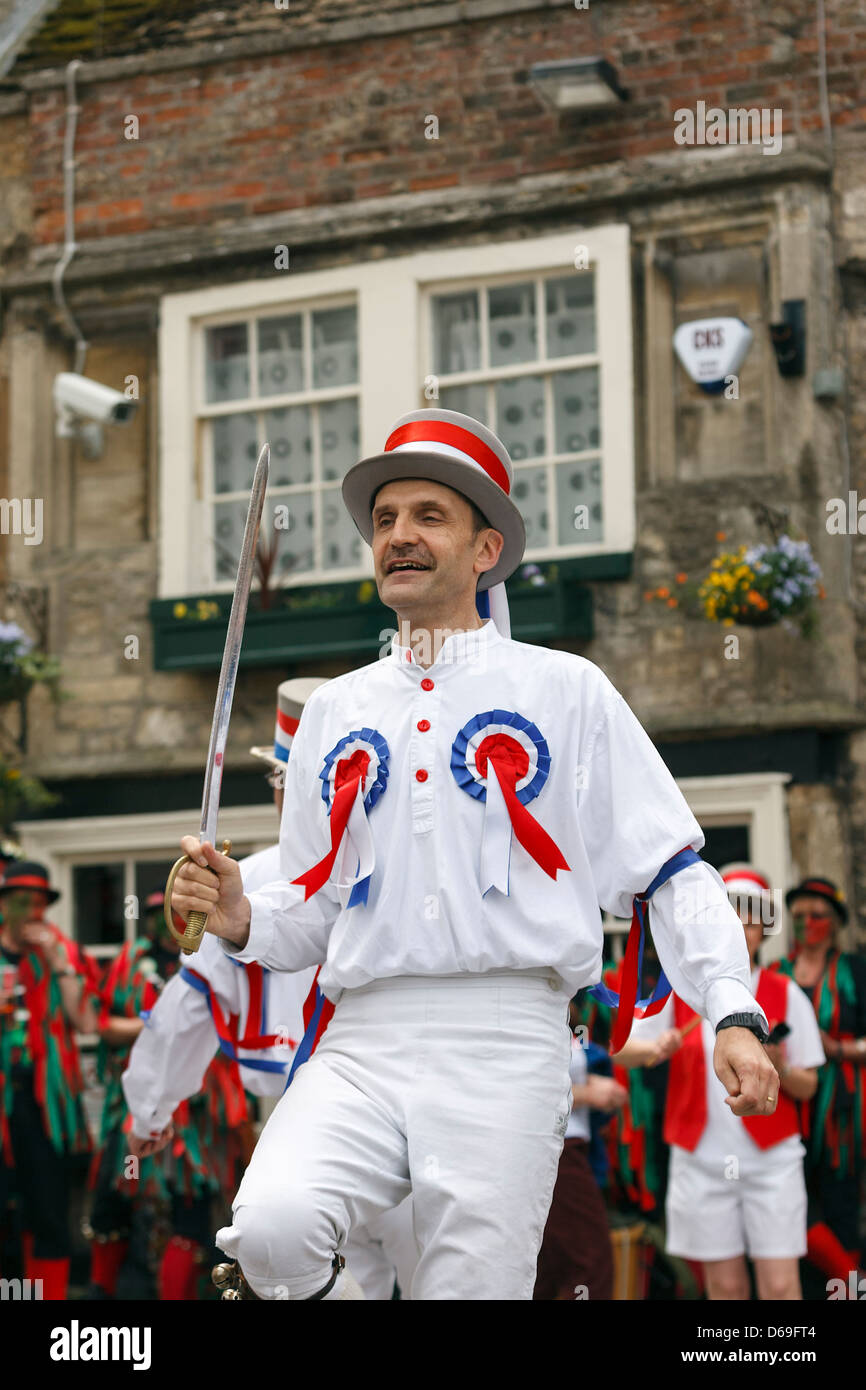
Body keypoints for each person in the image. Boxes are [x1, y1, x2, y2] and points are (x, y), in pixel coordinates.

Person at [170, 407, 778, 1301]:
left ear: (486, 549)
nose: (399, 536)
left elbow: (667, 868)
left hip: (507, 1035)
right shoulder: (334, 710)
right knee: (270, 1229)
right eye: (383, 520)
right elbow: (313, 913)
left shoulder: (567, 689)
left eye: (427, 516)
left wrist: (732, 1008)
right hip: (364, 1036)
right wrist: (241, 915)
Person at [616, 864, 823, 1300]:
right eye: (729, 912)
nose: (739, 925)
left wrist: (780, 1065)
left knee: (781, 1287)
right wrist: (658, 1047)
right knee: (724, 1289)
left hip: (772, 1161)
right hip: (701, 1158)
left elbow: (809, 1086)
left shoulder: (786, 992)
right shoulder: (680, 993)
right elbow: (624, 1049)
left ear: (764, 927)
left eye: (750, 915)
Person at [86, 885, 252, 1301]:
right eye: (163, 911)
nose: (172, 918)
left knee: (190, 1207)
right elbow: (103, 1024)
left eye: (180, 911)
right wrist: (161, 1031)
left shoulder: (215, 956)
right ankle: (100, 1291)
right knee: (118, 1192)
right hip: (138, 1107)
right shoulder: (130, 963)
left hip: (196, 1115)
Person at [0, 861, 99, 1299]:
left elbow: (86, 1021)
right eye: (22, 902)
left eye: (39, 904)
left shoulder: (63, 953)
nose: (31, 912)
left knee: (49, 1211)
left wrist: (58, 961)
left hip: (45, 1104)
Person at [772, 876, 866, 1287]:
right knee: (792, 1208)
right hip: (788, 1103)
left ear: (836, 922)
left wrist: (838, 1049)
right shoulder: (775, 974)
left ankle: (849, 1288)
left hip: (842, 1111)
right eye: (797, 915)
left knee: (841, 1202)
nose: (806, 923)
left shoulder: (856, 971)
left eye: (817, 915)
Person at [534, 998, 628, 1300]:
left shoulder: (560, 997)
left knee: (545, 1270)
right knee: (589, 1265)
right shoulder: (528, 996)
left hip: (565, 1146)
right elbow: (516, 1083)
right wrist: (587, 1093)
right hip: (554, 1148)